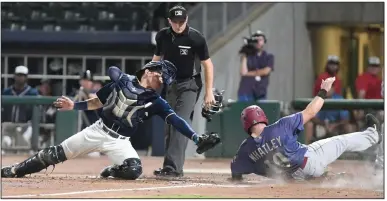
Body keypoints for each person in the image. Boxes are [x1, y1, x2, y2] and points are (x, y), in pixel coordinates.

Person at [1, 61, 221, 179]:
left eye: (166, 80)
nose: (163, 81)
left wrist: (195, 136)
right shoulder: (122, 82)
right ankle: (15, 170)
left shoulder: (157, 101)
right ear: (151, 71)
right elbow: (98, 101)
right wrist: (73, 106)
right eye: (162, 75)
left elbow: (176, 120)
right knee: (54, 154)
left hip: (120, 140)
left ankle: (111, 171)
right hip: (98, 130)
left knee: (133, 169)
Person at [230, 77, 382, 181]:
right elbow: (311, 112)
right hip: (309, 162)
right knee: (340, 142)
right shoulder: (281, 126)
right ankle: (373, 135)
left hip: (292, 178)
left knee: (306, 170)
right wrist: (323, 91)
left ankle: (327, 179)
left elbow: (236, 172)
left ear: (246, 125)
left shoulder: (245, 150)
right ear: (262, 116)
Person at [152, 5, 216, 177]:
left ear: (186, 20)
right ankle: (171, 167)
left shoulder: (196, 38)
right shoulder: (162, 36)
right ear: (169, 21)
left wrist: (209, 92)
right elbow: (157, 59)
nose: (178, 25)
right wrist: (151, 77)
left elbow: (208, 64)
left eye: (181, 22)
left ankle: (172, 168)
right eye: (175, 22)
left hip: (190, 85)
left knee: (179, 122)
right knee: (169, 125)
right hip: (170, 85)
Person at [237, 30, 274, 101]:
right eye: (256, 40)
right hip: (246, 91)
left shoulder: (269, 56)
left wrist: (248, 74)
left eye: (260, 40)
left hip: (260, 92)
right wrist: (245, 54)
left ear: (264, 41)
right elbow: (243, 72)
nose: (258, 42)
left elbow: (266, 71)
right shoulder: (248, 56)